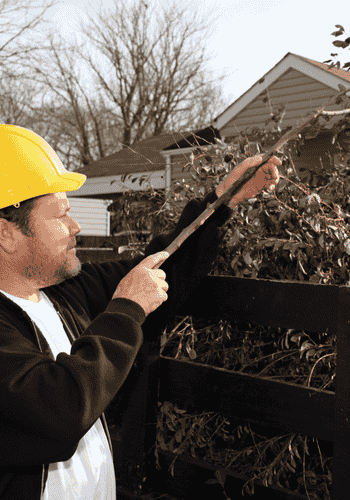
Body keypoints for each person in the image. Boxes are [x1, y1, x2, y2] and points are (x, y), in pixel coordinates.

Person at [0, 124, 281, 499]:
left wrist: (223, 200)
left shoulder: (64, 293)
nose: (76, 226)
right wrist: (126, 310)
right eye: (60, 215)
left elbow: (164, 271)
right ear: (6, 233)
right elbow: (57, 414)